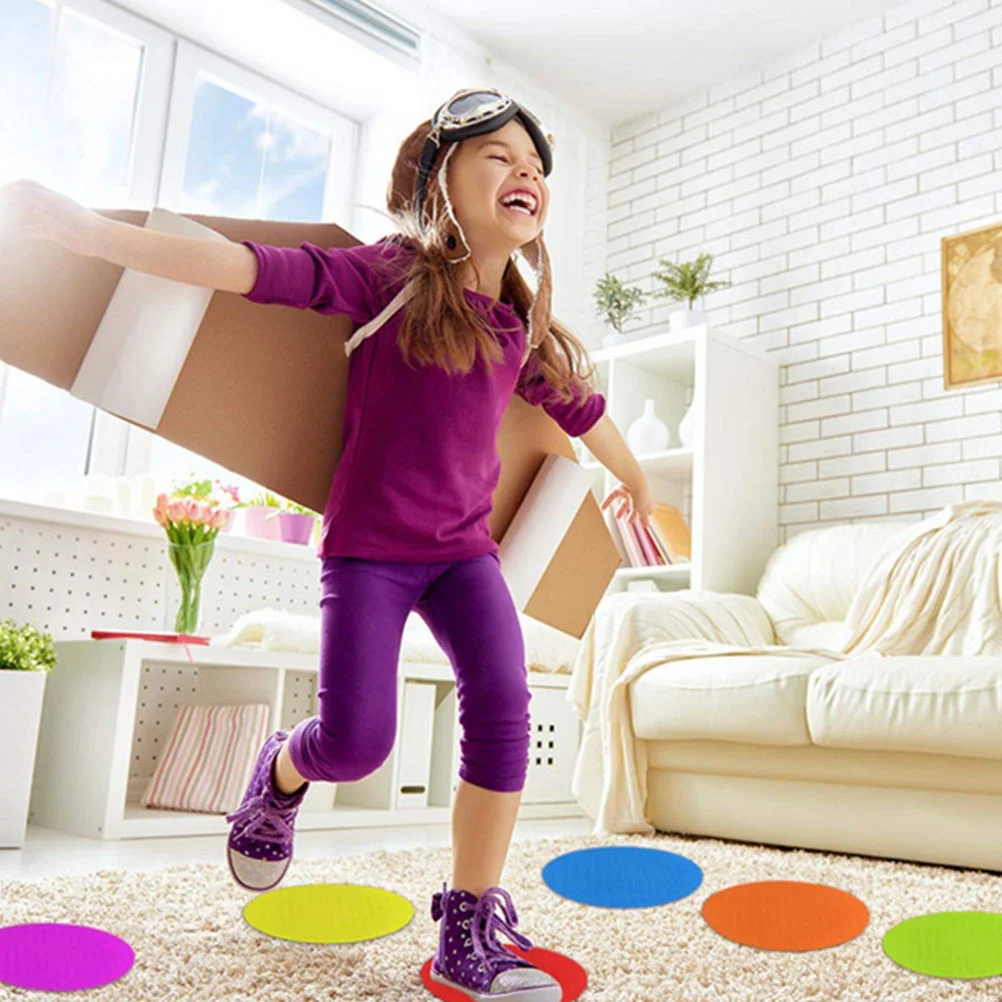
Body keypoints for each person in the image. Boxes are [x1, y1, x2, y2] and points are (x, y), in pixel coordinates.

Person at [0, 87, 654, 1001]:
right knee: (358, 743)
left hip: (466, 558)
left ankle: (467, 928)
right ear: (440, 185)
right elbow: (243, 268)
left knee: (503, 713)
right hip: (370, 552)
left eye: (536, 168)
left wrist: (637, 477)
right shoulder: (390, 278)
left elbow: (585, 410)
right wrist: (90, 234)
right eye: (499, 158)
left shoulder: (522, 328)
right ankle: (281, 766)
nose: (525, 176)